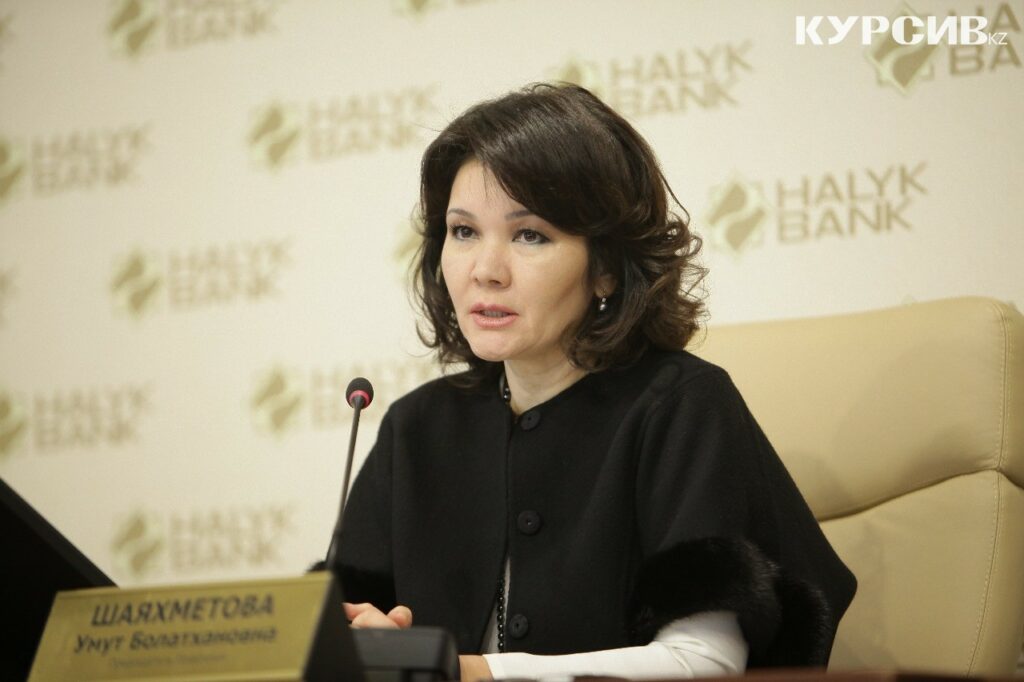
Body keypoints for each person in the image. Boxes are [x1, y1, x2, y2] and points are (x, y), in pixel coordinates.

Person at [335, 83, 856, 680]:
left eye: (530, 235)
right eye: (463, 231)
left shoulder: (680, 406)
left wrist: (472, 673)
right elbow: (327, 637)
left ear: (605, 266)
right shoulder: (417, 427)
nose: (485, 270)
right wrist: (365, 647)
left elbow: (705, 662)